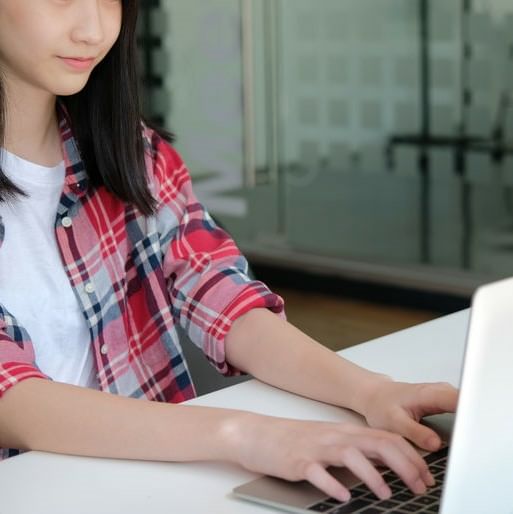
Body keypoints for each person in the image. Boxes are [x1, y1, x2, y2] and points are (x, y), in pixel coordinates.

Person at [0, 0, 457, 504]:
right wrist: (244, 436)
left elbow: (219, 294)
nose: (93, 30)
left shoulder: (133, 153)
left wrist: (370, 393)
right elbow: (12, 397)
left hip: (151, 488)